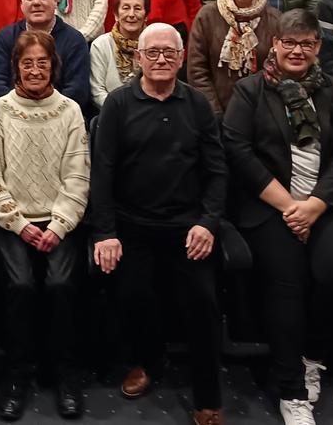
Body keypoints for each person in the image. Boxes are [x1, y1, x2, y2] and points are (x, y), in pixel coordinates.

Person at [221, 9, 333, 425]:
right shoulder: (250, 91)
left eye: (307, 43)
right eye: (290, 42)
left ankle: (312, 356)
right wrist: (290, 206)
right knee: (286, 282)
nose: (297, 50)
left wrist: (315, 204)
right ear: (275, 45)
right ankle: (292, 390)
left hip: (324, 203)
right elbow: (237, 150)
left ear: (318, 47)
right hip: (269, 205)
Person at [90, 22, 227, 425]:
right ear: (138, 59)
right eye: (153, 53)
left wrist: (208, 222)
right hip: (132, 224)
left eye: (170, 53)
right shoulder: (117, 104)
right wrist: (106, 232)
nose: (162, 59)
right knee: (133, 294)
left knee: (203, 302)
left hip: (188, 226)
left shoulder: (198, 105)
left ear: (182, 58)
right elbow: (103, 172)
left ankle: (207, 395)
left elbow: (217, 172)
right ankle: (147, 362)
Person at [0, 29, 90, 421]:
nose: (34, 70)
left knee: (61, 285)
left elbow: (78, 176)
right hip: (13, 220)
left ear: (53, 67)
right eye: (26, 63)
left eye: (42, 63)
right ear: (15, 67)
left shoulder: (70, 111)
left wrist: (59, 225)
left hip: (59, 219)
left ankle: (66, 375)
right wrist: (19, 222)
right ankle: (17, 375)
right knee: (20, 285)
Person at [187, 0, 281, 114]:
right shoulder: (207, 16)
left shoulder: (275, 20)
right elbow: (197, 70)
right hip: (216, 113)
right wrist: (214, 112)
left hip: (261, 114)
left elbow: (278, 70)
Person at [0, 0, 90, 111]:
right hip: (13, 117)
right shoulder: (5, 37)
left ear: (55, 1)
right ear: (21, 4)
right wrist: (21, 113)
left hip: (59, 119)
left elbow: (77, 90)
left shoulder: (75, 40)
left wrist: (46, 115)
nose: (36, 3)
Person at [90, 0, 149, 109]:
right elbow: (97, 92)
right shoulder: (101, 45)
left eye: (137, 8)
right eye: (126, 8)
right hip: (112, 113)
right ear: (116, 15)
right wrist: (122, 112)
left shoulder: (153, 44)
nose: (131, 14)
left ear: (146, 15)